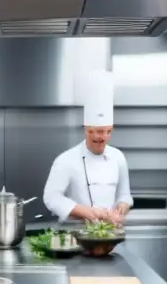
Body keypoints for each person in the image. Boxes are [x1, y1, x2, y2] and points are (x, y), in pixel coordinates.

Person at [43, 69, 133, 224]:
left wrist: (121, 207)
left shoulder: (118, 157)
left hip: (109, 233)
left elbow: (124, 195)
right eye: (97, 132)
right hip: (75, 234)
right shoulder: (66, 160)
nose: (102, 137)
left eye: (107, 132)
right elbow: (51, 197)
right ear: (86, 130)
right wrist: (88, 213)